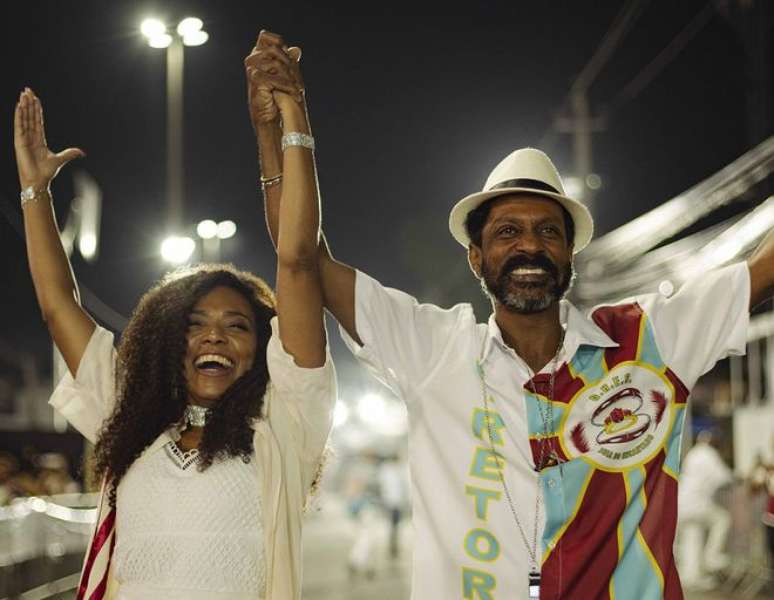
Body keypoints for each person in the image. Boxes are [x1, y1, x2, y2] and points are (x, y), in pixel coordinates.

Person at [248, 33, 774, 599]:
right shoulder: (435, 349)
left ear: (570, 253)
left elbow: (764, 267)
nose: (530, 245)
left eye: (549, 231)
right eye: (507, 232)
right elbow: (302, 255)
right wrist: (282, 125)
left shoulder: (650, 337)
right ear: (476, 257)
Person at [13, 37, 335, 599]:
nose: (214, 334)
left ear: (262, 349)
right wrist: (36, 193)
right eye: (194, 323)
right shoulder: (130, 419)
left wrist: (287, 125)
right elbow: (58, 306)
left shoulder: (285, 424)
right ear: (167, 340)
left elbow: (300, 261)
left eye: (237, 325)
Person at [676, 429, 733, 590]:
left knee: (692, 538)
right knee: (722, 519)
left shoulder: (693, 454)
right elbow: (723, 476)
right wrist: (735, 478)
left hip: (682, 503)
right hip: (696, 503)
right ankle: (712, 557)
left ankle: (691, 577)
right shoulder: (708, 454)